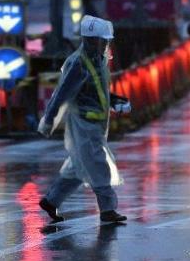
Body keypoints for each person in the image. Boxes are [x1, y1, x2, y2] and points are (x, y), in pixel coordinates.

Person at [37, 15, 131, 223]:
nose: (106, 44)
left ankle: (51, 201)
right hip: (83, 125)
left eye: (106, 40)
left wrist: (115, 101)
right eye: (102, 40)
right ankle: (107, 210)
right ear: (91, 40)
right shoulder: (78, 64)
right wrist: (49, 120)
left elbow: (98, 90)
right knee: (98, 165)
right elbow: (61, 94)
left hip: (95, 125)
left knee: (77, 167)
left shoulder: (97, 60)